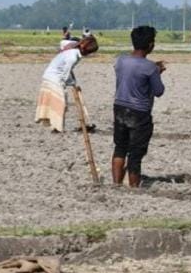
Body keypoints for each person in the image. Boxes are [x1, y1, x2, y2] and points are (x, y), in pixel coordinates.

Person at [112, 26, 166, 188]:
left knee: (120, 148)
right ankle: (134, 187)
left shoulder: (120, 61)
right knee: (135, 153)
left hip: (119, 107)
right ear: (150, 45)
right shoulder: (150, 67)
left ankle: (116, 184)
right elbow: (159, 91)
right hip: (139, 112)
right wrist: (158, 72)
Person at [35, 36, 99, 132]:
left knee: (60, 103)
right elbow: (65, 74)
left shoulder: (74, 53)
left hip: (53, 76)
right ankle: (57, 128)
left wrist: (74, 82)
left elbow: (69, 71)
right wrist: (72, 83)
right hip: (53, 78)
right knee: (60, 103)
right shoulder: (72, 57)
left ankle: (57, 127)